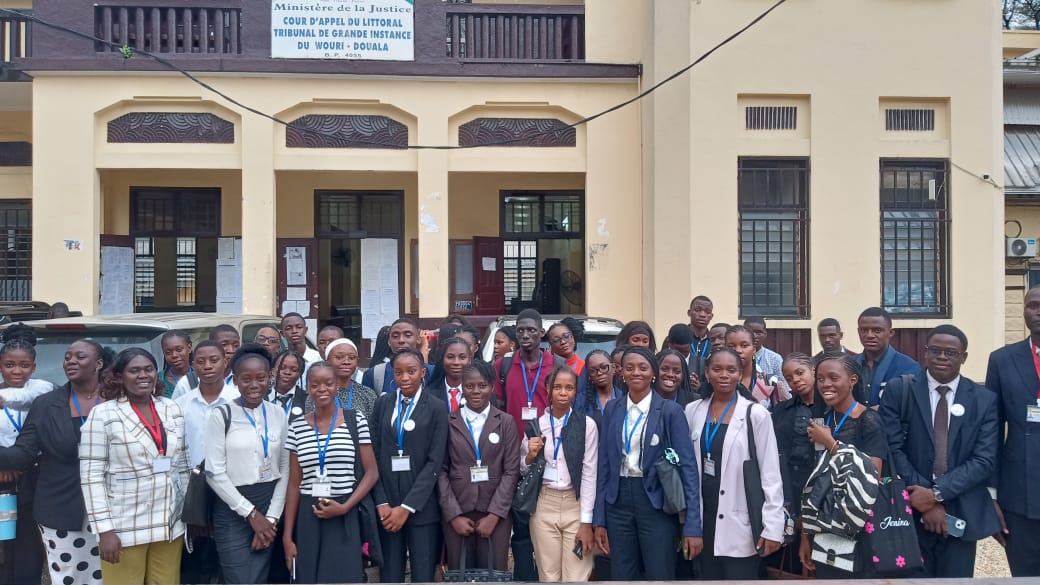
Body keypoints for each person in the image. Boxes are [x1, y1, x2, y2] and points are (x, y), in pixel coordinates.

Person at [880, 325, 998, 578]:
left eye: (951, 352)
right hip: (909, 509)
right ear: (925, 353)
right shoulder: (900, 390)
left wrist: (936, 494)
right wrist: (923, 500)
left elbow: (984, 459)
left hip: (960, 511)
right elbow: (893, 449)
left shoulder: (983, 399)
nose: (942, 357)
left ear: (963, 357)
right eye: (935, 350)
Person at [0, 340, 108, 585]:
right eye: (68, 356)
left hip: (114, 508)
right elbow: (23, 453)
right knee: (70, 576)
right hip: (62, 507)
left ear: (99, 364)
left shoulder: (116, 398)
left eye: (79, 356)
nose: (71, 361)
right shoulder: (47, 404)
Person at [80, 348, 189, 585]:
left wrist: (188, 511)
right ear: (119, 377)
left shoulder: (171, 408)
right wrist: (105, 530)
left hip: (170, 519)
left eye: (148, 369)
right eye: (134, 370)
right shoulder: (103, 414)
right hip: (123, 524)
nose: (143, 375)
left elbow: (183, 464)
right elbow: (91, 477)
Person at [593, 346, 702, 580]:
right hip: (618, 501)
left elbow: (688, 468)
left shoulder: (670, 411)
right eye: (629, 368)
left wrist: (692, 523)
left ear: (653, 373)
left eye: (643, 368)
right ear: (621, 372)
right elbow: (604, 465)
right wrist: (599, 519)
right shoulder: (613, 408)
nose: (636, 373)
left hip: (655, 502)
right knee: (622, 573)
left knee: (659, 572)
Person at [685, 347, 784, 579]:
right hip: (703, 519)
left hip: (741, 520)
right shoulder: (692, 411)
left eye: (731, 370)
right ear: (707, 372)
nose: (724, 375)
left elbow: (771, 473)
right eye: (717, 369)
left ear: (740, 374)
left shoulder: (755, 414)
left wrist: (773, 525)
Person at [283, 362, 379, 584]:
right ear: (307, 388)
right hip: (309, 513)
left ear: (337, 386)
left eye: (328, 383)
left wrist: (346, 506)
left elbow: (371, 473)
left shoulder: (355, 420)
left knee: (344, 576)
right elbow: (294, 484)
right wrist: (288, 536)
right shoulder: (297, 426)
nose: (322, 389)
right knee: (309, 576)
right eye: (315, 384)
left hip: (345, 510)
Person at [206, 345, 290, 584]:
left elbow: (285, 468)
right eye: (246, 379)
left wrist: (271, 519)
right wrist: (251, 514)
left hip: (270, 501)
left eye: (261, 378)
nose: (254, 385)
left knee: (263, 577)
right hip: (233, 507)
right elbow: (214, 473)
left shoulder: (277, 413)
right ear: (235, 380)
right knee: (240, 577)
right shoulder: (221, 415)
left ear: (270, 378)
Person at [800, 354, 887, 579]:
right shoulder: (822, 420)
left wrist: (831, 443)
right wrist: (806, 536)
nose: (826, 384)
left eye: (833, 377)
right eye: (820, 379)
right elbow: (813, 482)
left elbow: (873, 475)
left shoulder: (868, 420)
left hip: (858, 527)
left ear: (853, 380)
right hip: (825, 526)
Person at [493, 308, 561, 580]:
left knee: (545, 521)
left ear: (541, 333)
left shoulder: (555, 364)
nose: (525, 335)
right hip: (515, 454)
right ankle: (523, 577)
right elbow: (497, 406)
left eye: (531, 330)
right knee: (520, 525)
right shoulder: (504, 365)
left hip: (549, 453)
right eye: (520, 330)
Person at [370, 349, 449, 583]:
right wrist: (382, 502)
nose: (404, 378)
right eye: (399, 372)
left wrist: (406, 507)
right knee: (390, 574)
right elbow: (373, 454)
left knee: (423, 573)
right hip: (387, 508)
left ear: (423, 373)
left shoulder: (436, 407)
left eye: (411, 372)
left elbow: (435, 462)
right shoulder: (383, 403)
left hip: (421, 508)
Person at [439, 361, 520, 573]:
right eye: (469, 386)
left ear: (492, 387)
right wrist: (453, 515)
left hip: (495, 513)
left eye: (482, 386)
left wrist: (494, 515)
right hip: (458, 511)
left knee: (493, 573)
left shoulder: (505, 422)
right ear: (462, 387)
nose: (475, 391)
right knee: (459, 572)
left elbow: (511, 471)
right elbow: (440, 471)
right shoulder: (448, 421)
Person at [175, 340, 241, 584]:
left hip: (231, 486)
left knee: (225, 555)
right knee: (194, 558)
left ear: (226, 362)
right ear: (193, 366)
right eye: (201, 361)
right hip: (192, 488)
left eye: (214, 360)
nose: (208, 366)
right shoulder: (181, 405)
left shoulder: (238, 401)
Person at [524, 365, 598, 582]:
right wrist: (529, 455)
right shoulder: (536, 425)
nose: (563, 393)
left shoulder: (587, 425)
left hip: (575, 505)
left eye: (569, 388)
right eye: (557, 387)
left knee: (576, 576)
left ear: (576, 391)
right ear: (548, 389)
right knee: (548, 575)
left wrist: (586, 522)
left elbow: (589, 473)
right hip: (544, 504)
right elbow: (523, 468)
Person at [985, 285, 1040, 576]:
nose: (1039, 311)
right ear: (1024, 312)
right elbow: (993, 431)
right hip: (1020, 495)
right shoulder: (1002, 360)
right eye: (1033, 305)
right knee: (1027, 576)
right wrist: (991, 495)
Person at [0, 324, 51, 585]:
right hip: (2, 477)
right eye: (9, 365)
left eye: (23, 365)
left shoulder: (41, 389)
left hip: (32, 477)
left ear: (33, 366)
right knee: (4, 540)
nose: (16, 371)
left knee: (28, 542)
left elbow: (24, 396)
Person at [772, 352, 824, 576]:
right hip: (789, 487)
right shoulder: (781, 410)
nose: (795, 380)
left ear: (813, 370)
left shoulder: (830, 408)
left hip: (823, 490)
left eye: (800, 373)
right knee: (792, 554)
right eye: (789, 377)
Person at [855, 307, 919, 406]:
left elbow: (912, 407)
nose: (869, 335)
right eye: (864, 330)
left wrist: (882, 410)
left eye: (877, 330)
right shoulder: (849, 365)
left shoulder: (908, 367)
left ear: (890, 333)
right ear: (858, 331)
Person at [362, 319, 434, 395]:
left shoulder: (433, 373)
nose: (401, 340)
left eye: (408, 336)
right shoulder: (373, 374)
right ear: (389, 341)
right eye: (395, 336)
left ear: (418, 339)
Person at [727, 325, 790, 408]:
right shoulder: (717, 381)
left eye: (744, 345)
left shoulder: (771, 382)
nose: (738, 350)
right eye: (731, 346)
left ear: (754, 349)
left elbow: (785, 416)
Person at [171, 325, 241, 399]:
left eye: (236, 345)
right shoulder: (187, 383)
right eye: (224, 345)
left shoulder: (243, 378)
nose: (231, 350)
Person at [322, 339, 378, 419]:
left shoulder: (367, 394)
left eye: (352, 358)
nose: (346, 362)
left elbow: (373, 427)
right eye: (339, 357)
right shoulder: (319, 393)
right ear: (327, 362)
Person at [744, 317, 791, 397]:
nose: (755, 336)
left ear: (765, 334)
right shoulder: (736, 357)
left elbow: (785, 388)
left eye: (759, 332)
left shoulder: (775, 358)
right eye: (750, 332)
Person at [575, 349, 621, 427]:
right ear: (589, 376)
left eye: (603, 367)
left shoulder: (624, 397)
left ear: (613, 368)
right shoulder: (580, 400)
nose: (599, 373)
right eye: (593, 370)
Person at [427, 336, 473, 412]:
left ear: (469, 360)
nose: (456, 362)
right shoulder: (428, 394)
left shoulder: (479, 392)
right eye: (450, 357)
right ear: (442, 359)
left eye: (462, 357)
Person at [268, 349, 306, 417]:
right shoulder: (260, 397)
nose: (287, 372)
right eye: (282, 368)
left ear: (300, 373)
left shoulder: (307, 400)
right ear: (272, 371)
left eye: (294, 370)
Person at [160, 331, 194, 398]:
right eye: (168, 352)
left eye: (179, 350)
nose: (174, 355)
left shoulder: (202, 377)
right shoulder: (157, 381)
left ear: (189, 348)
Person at [687, 296, 714, 377]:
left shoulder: (715, 341)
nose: (702, 315)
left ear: (711, 316)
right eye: (697, 310)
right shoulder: (677, 337)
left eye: (707, 311)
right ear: (689, 312)